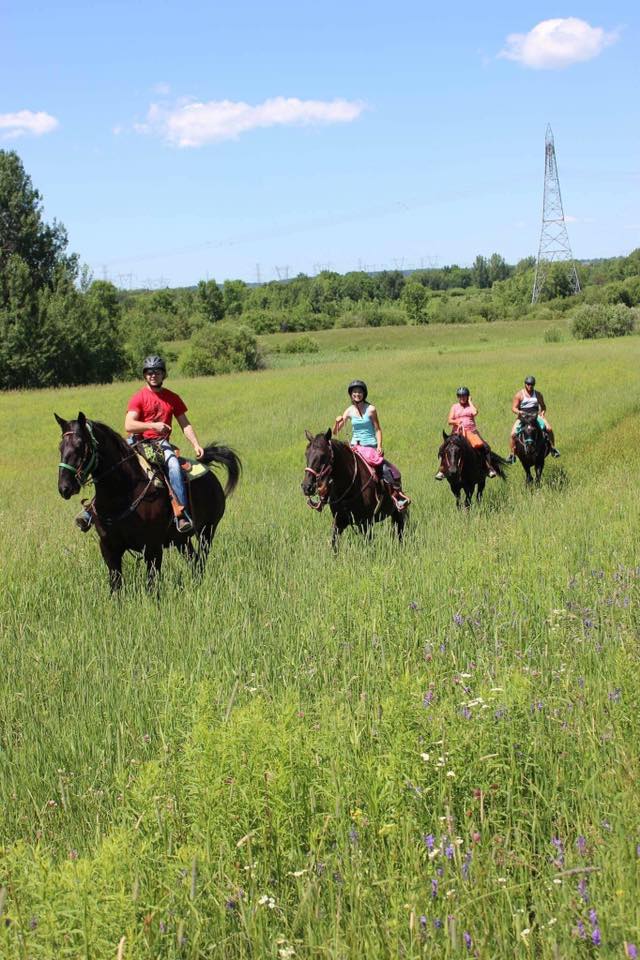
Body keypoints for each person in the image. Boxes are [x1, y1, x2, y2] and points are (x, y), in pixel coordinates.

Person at [77, 355, 204, 534]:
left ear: (163, 375)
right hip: (136, 442)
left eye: (157, 372)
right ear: (145, 375)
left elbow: (185, 424)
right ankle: (90, 512)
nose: (153, 375)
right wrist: (153, 425)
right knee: (112, 468)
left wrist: (196, 444)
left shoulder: (172, 398)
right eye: (149, 372)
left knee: (174, 467)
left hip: (160, 444)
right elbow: (129, 425)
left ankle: (181, 514)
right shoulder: (139, 397)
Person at [332, 379, 410, 510]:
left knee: (383, 469)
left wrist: (379, 445)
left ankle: (396, 496)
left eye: (360, 391)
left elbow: (378, 429)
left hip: (370, 447)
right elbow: (335, 432)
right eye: (354, 392)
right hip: (355, 447)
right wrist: (337, 421)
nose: (357, 394)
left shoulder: (371, 409)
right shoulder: (349, 411)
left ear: (364, 393)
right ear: (351, 394)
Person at [435, 387, 496, 479]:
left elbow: (475, 412)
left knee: (484, 446)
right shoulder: (454, 407)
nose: (462, 398)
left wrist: (470, 402)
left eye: (464, 396)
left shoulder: (470, 406)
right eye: (460, 396)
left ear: (468, 396)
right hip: (457, 433)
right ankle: (442, 470)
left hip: (471, 431)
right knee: (444, 448)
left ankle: (488, 468)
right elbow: (450, 420)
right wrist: (457, 422)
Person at [507, 375, 560, 463]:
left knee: (549, 429)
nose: (530, 386)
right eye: (528, 384)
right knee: (513, 434)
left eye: (532, 384)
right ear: (525, 384)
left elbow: (543, 406)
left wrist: (542, 412)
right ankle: (512, 454)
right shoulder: (519, 395)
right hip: (523, 416)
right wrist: (519, 412)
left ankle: (553, 449)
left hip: (535, 415)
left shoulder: (538, 394)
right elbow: (514, 408)